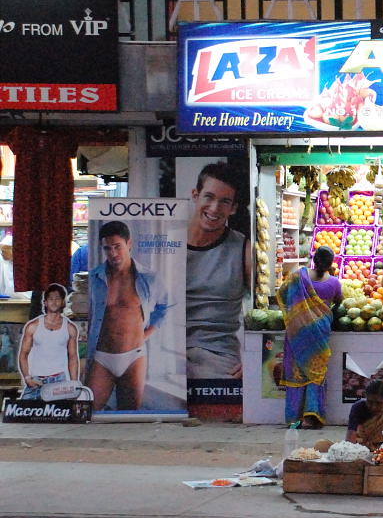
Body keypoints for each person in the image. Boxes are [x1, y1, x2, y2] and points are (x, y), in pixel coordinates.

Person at [87, 221, 170, 410]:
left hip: (134, 356)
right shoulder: (94, 277)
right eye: (107, 248)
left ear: (129, 244)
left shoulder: (149, 278)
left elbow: (165, 306)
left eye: (118, 246)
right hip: (101, 356)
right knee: (90, 411)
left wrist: (147, 333)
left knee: (130, 413)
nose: (113, 253)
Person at [186, 162, 252, 380]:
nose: (214, 208)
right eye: (209, 197)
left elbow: (269, 308)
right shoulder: (166, 242)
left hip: (221, 359)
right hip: (164, 355)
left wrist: (258, 356)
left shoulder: (244, 249)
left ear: (233, 208)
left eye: (224, 202)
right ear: (195, 195)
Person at [277, 246, 342, 429]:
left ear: (313, 258)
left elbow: (281, 295)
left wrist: (296, 312)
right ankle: (311, 417)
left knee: (297, 373)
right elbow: (339, 301)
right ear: (331, 264)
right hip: (320, 333)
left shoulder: (298, 277)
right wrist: (325, 314)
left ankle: (294, 418)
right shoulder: (334, 283)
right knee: (316, 373)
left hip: (297, 332)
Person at [18, 284, 79, 400]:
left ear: (63, 302)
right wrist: (27, 377)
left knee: (59, 417)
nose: (54, 302)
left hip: (58, 382)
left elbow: (73, 357)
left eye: (57, 299)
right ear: (45, 302)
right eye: (51, 299)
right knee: (26, 415)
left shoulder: (70, 328)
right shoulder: (33, 326)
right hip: (36, 380)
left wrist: (74, 383)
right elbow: (23, 354)